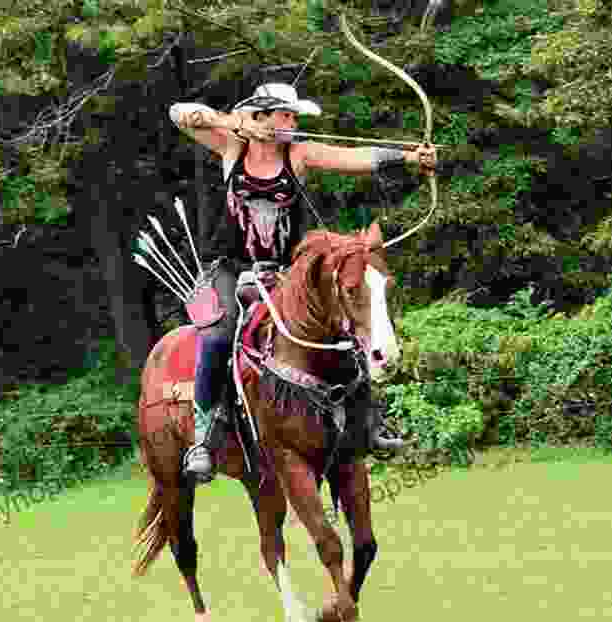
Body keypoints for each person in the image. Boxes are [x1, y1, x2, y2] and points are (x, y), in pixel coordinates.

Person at [169, 82, 436, 484]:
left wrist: (409, 157)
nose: (294, 123)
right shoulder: (230, 147)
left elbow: (353, 157)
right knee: (218, 338)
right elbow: (179, 113)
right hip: (230, 268)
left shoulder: (300, 154)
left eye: (294, 117)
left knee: (340, 328)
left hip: (286, 271)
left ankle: (371, 426)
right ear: (261, 116)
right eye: (286, 115)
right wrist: (236, 123)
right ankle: (204, 437)